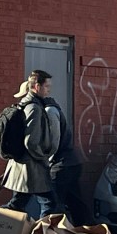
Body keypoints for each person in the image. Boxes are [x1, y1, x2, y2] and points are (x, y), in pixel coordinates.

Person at [1, 69, 59, 219]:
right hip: (31, 167)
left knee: (17, 204)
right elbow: (31, 141)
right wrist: (43, 157)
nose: (49, 90)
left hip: (22, 167)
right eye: (46, 86)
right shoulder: (34, 108)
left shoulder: (26, 103)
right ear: (36, 87)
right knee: (49, 203)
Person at [45, 95, 91, 225]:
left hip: (61, 164)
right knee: (75, 202)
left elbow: (54, 142)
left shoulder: (49, 112)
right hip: (72, 162)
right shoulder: (54, 109)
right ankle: (87, 230)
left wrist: (48, 160)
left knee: (54, 203)